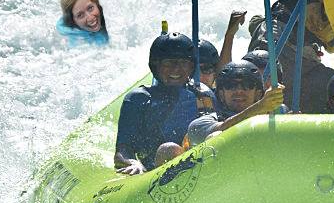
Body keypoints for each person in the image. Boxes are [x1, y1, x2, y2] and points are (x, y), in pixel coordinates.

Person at [114, 32, 215, 175]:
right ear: (156, 65)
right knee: (168, 150)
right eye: (168, 63)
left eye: (183, 63)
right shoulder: (138, 99)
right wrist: (132, 162)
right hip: (155, 169)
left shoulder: (202, 95)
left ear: (192, 67)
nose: (176, 69)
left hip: (199, 165)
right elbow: (123, 151)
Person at [186, 60, 284, 147]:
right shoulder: (201, 123)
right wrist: (260, 107)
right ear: (221, 95)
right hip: (223, 162)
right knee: (216, 136)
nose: (239, 91)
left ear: (258, 94)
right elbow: (222, 130)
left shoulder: (277, 116)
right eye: (231, 85)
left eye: (247, 85)